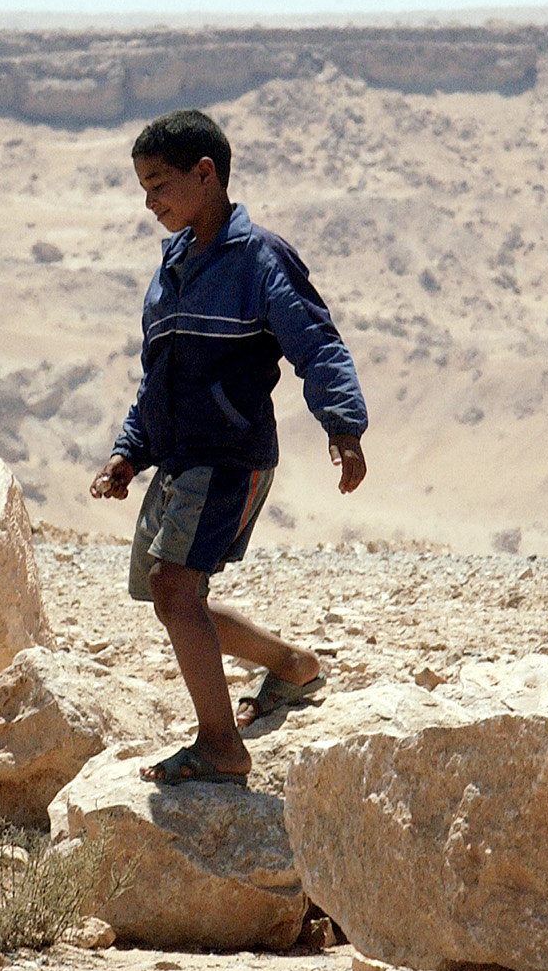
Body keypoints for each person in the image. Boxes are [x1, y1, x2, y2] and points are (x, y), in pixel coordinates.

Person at [90, 108, 369, 786]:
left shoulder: (258, 259)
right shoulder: (174, 264)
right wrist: (130, 451)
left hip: (229, 454)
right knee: (170, 596)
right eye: (143, 188)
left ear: (205, 174)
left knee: (174, 586)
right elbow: (159, 375)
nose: (149, 203)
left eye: (159, 185)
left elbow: (317, 344)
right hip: (180, 458)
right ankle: (292, 667)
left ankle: (221, 746)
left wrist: (343, 425)